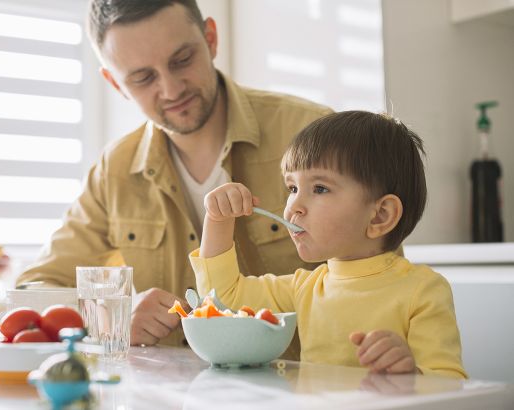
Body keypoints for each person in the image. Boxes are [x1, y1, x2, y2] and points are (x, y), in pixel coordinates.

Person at [16, 0, 332, 353]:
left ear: (211, 39)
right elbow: (33, 290)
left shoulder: (312, 133)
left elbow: (378, 269)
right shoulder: (114, 170)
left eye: (182, 60)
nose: (171, 89)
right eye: (142, 78)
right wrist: (109, 315)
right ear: (115, 83)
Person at [190, 111, 467, 378]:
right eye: (292, 188)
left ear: (380, 215)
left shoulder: (423, 291)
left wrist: (410, 374)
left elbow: (450, 385)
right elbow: (222, 299)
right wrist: (218, 221)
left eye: (320, 188)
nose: (293, 206)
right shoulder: (305, 288)